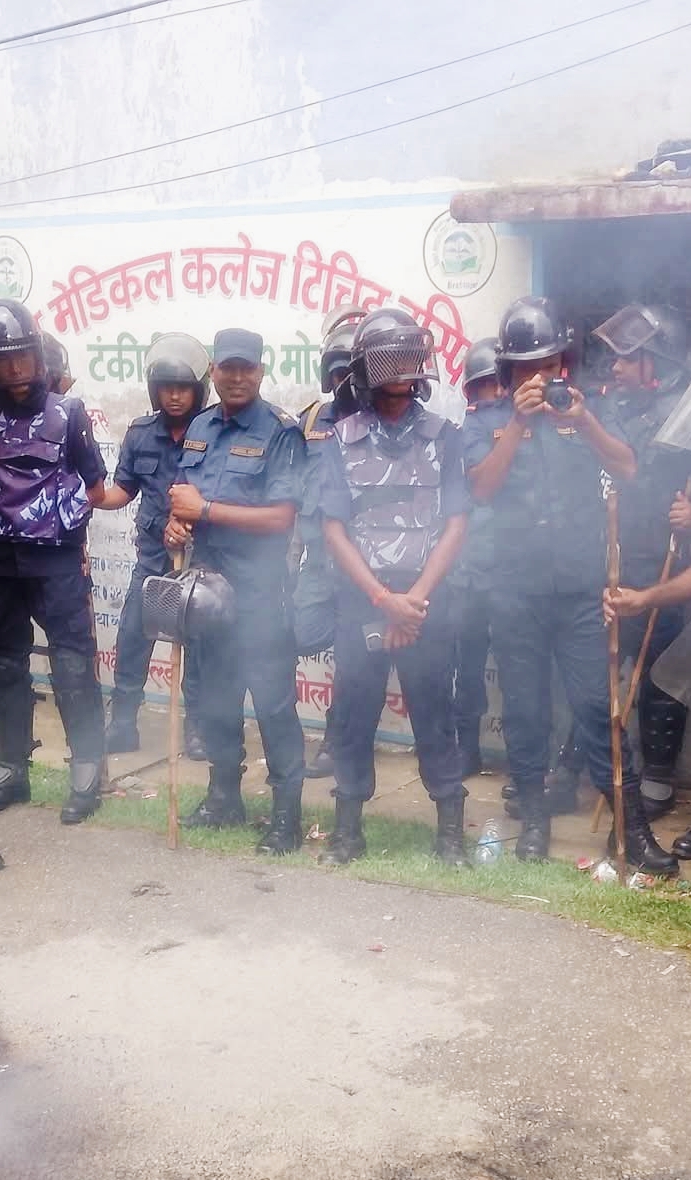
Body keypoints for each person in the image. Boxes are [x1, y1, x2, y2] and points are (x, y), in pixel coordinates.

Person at [466, 296, 638, 866]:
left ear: (563, 361)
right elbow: (481, 489)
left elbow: (628, 468)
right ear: (508, 369)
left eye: (548, 363)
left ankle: (630, 827)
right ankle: (534, 823)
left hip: (580, 590)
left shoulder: (586, 411)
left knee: (596, 706)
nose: (538, 376)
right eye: (525, 367)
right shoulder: (487, 422)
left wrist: (584, 421)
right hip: (515, 590)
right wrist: (517, 422)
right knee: (526, 710)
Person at [0, 299, 128, 825]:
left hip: (54, 559)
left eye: (21, 358)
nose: (14, 371)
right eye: (1, 361)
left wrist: (64, 526)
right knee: (5, 664)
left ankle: (87, 767)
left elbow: (94, 487)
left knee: (72, 663)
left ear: (37, 353)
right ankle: (11, 767)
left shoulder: (67, 413)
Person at [315, 307, 472, 864]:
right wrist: (384, 602)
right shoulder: (340, 438)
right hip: (365, 602)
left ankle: (450, 832)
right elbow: (333, 528)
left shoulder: (445, 436)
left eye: (410, 355)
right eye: (391, 356)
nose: (403, 367)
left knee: (434, 712)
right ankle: (348, 830)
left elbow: (456, 522)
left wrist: (414, 602)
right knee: (354, 712)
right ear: (366, 366)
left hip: (425, 603)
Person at [167, 327, 308, 853]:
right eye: (228, 368)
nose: (237, 376)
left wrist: (203, 512)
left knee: (273, 707)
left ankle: (286, 818)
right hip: (208, 595)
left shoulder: (280, 432)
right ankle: (225, 797)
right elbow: (181, 498)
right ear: (214, 372)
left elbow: (280, 518)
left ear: (262, 371)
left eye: (247, 368)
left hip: (259, 598)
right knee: (217, 704)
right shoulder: (201, 426)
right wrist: (176, 527)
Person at [593, 301, 691, 866]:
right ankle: (600, 768)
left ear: (656, 361)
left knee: (660, 674)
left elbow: (686, 478)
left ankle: (657, 773)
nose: (616, 368)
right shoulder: (614, 407)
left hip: (667, 561)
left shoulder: (687, 412)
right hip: (610, 554)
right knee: (606, 668)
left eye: (628, 359)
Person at [106, 331, 210, 755]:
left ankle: (198, 730)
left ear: (198, 390)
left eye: (183, 388)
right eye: (166, 388)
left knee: (200, 652)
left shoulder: (214, 431)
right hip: (152, 564)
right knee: (132, 641)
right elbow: (122, 490)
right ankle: (123, 724)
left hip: (201, 565)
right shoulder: (140, 433)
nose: (174, 397)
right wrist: (90, 494)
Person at [294, 304, 369, 779]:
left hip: (369, 562)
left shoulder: (386, 421)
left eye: (353, 371)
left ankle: (338, 739)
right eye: (338, 371)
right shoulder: (310, 421)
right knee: (295, 634)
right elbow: (290, 490)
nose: (346, 382)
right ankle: (287, 731)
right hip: (319, 561)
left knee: (353, 653)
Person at [451, 337, 503, 772]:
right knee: (466, 668)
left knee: (523, 670)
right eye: (487, 386)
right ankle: (465, 747)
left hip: (514, 572)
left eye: (501, 383)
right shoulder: (467, 431)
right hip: (469, 573)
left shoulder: (532, 426)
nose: (497, 393)